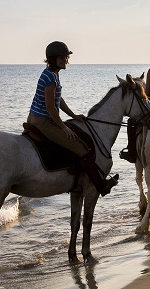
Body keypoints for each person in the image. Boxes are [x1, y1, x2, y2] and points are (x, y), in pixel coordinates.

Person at [27, 41, 118, 195]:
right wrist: (64, 127)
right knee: (81, 147)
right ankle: (100, 186)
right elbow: (50, 107)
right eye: (61, 57)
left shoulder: (52, 74)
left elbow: (58, 100)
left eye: (65, 57)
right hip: (42, 122)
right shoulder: (50, 77)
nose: (65, 60)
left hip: (39, 119)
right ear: (52, 59)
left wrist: (74, 116)